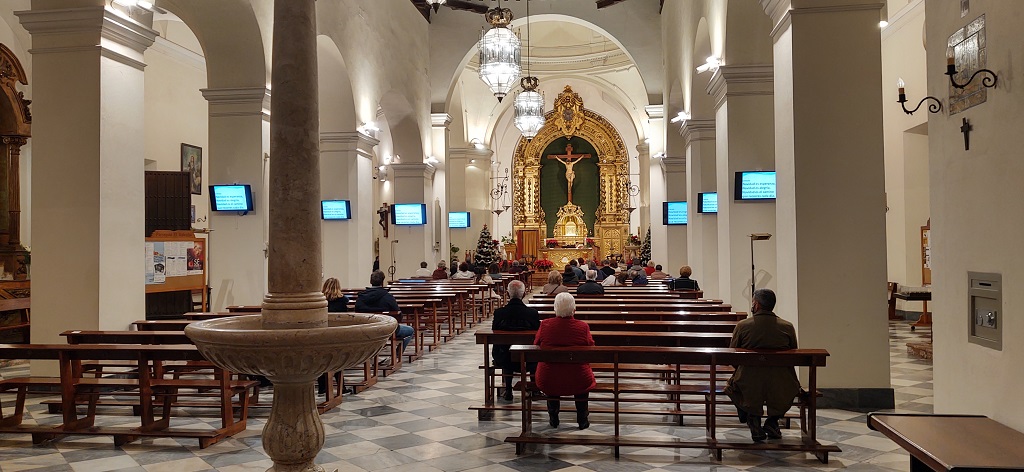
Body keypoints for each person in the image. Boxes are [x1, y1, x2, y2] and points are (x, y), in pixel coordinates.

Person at [724, 289, 799, 442]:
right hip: (782, 383)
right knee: (784, 386)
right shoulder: (787, 327)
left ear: (756, 305)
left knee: (734, 386)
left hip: (748, 382)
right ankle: (772, 421)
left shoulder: (743, 326)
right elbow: (793, 355)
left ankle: (753, 417)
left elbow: (732, 356)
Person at [534, 292, 595, 429]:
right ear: (574, 309)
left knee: (552, 376)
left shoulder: (545, 325)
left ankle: (553, 416)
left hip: (549, 376)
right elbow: (590, 346)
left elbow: (536, 343)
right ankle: (582, 418)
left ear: (555, 308)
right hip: (578, 376)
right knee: (580, 378)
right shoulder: (582, 327)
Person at [491, 280, 541, 401]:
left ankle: (508, 389)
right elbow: (538, 335)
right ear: (523, 294)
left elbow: (494, 333)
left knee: (506, 350)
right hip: (530, 358)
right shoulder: (532, 314)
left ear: (508, 294)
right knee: (532, 353)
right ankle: (534, 388)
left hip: (504, 357)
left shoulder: (499, 313)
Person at [355, 270, 414, 354]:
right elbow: (398, 315)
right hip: (386, 329)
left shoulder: (361, 297)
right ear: (382, 282)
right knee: (410, 330)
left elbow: (356, 313)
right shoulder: (387, 296)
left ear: (370, 281)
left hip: (365, 329)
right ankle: (397, 355)